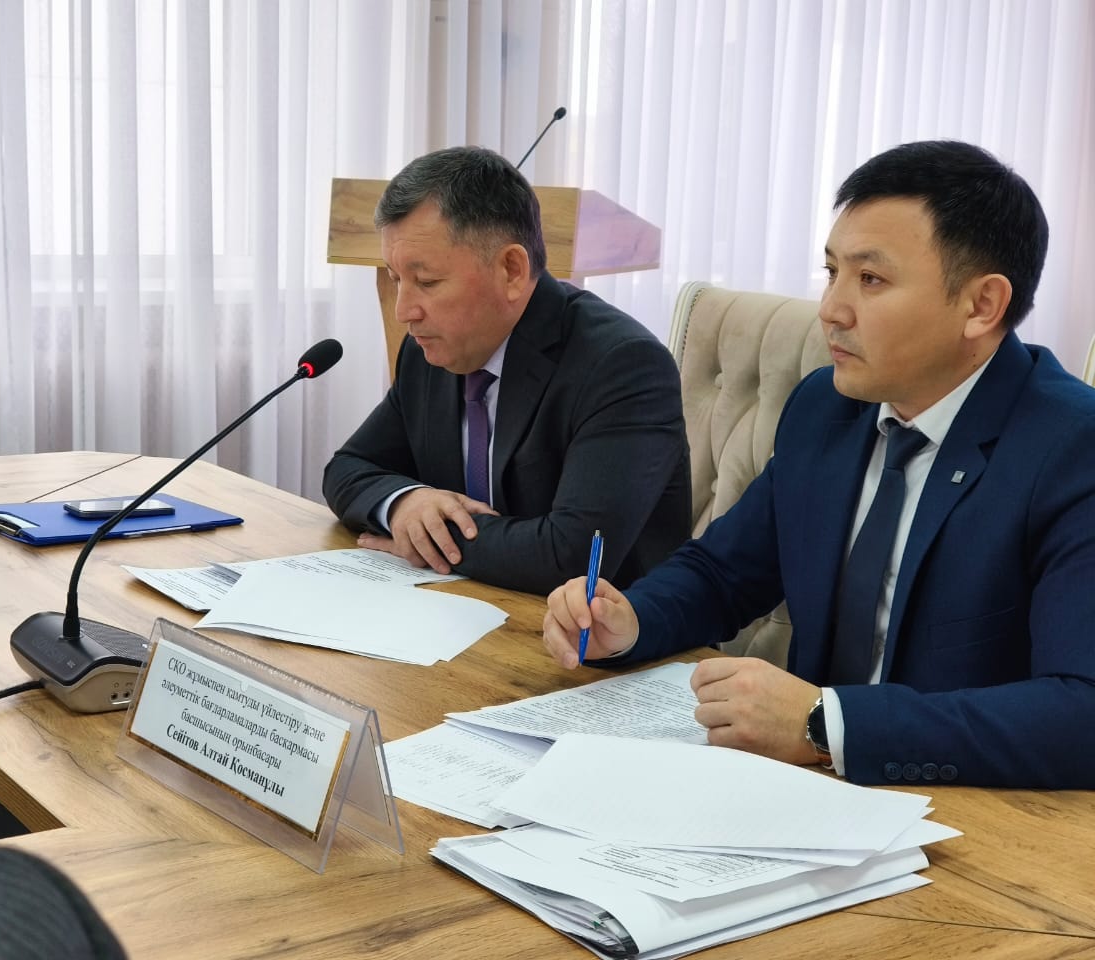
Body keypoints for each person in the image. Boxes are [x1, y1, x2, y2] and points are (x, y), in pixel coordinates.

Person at [543, 139, 1095, 789]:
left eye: (870, 279)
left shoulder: (1071, 448)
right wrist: (632, 620)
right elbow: (725, 572)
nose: (831, 309)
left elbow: (1081, 711)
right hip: (797, 792)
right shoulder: (826, 407)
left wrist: (826, 725)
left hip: (965, 810)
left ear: (982, 305)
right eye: (831, 272)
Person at [324, 146, 691, 595]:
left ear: (512, 270)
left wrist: (430, 536)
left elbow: (572, 556)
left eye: (427, 281)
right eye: (396, 279)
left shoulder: (623, 365)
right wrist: (405, 504)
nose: (404, 311)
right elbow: (347, 468)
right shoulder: (431, 352)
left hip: (597, 632)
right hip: (465, 605)